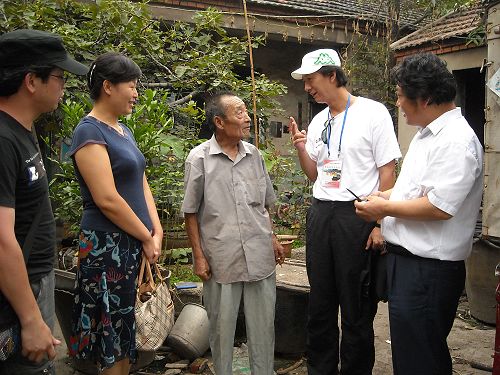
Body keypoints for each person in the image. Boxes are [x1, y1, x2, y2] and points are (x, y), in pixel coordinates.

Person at [355, 52, 483, 375]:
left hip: (428, 271)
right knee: (411, 355)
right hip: (408, 265)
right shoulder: (427, 135)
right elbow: (416, 192)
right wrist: (386, 195)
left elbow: (439, 206)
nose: (397, 104)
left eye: (400, 97)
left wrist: (383, 208)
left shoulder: (456, 141)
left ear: (424, 99)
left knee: (421, 360)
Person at [289, 48, 401, 374]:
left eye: (311, 79)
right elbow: (315, 174)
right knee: (320, 304)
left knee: (356, 306)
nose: (307, 87)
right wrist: (300, 147)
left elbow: (387, 171)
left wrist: (380, 222)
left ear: (332, 76)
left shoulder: (373, 112)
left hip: (359, 215)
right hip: (322, 213)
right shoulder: (320, 119)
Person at [67, 52, 162, 375]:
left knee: (124, 331)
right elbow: (106, 198)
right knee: (110, 336)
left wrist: (156, 231)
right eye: (132, 86)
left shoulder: (123, 130)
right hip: (106, 246)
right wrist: (144, 235)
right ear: (108, 86)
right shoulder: (89, 131)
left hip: (133, 242)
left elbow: (141, 182)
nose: (136, 93)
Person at [0, 29, 88, 374]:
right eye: (58, 76)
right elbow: (2, 238)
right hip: (16, 297)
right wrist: (31, 318)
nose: (63, 85)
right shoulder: (4, 140)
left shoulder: (22, 132)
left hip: (35, 281)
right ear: (31, 81)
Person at [181, 92, 285, 375]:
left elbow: (264, 205)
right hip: (221, 260)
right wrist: (198, 257)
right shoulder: (199, 158)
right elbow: (190, 212)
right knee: (221, 330)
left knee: (263, 329)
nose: (247, 118)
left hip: (260, 258)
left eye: (246, 112)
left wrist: (273, 238)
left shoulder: (255, 156)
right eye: (239, 113)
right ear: (219, 121)